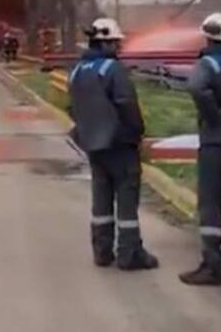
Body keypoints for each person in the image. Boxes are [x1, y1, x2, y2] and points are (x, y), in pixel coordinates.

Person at [67, 17, 158, 271]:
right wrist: (137, 132)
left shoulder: (77, 71)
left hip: (93, 146)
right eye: (115, 43)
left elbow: (73, 108)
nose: (118, 48)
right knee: (127, 200)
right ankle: (130, 254)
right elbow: (126, 104)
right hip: (119, 145)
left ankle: (102, 251)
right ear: (105, 42)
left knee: (101, 199)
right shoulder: (113, 70)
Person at [179, 12, 221, 286]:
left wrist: (213, 116)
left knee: (211, 203)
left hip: (216, 144)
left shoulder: (208, 63)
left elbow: (196, 88)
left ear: (208, 36)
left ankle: (212, 266)